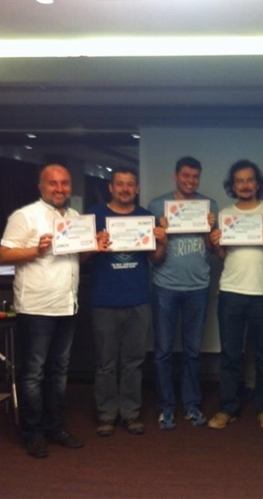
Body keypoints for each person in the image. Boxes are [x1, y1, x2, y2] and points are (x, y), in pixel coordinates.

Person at [0, 164, 107, 459]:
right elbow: (4, 253)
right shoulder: (25, 216)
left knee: (59, 372)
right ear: (41, 186)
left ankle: (56, 427)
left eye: (65, 183)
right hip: (36, 307)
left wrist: (94, 247)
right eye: (53, 183)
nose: (60, 189)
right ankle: (33, 433)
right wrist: (36, 250)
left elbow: (76, 259)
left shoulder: (75, 218)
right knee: (34, 373)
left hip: (66, 304)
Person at [87, 166, 167, 437]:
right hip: (104, 300)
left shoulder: (146, 217)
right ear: (111, 187)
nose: (125, 189)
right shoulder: (95, 215)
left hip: (138, 300)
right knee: (105, 363)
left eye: (130, 184)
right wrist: (93, 244)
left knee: (134, 361)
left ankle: (131, 414)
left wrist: (162, 242)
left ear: (137, 188)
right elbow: (80, 256)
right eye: (119, 184)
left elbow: (155, 259)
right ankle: (106, 415)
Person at [208, 160, 263, 430]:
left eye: (249, 180)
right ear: (233, 185)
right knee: (230, 354)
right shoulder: (226, 214)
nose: (245, 185)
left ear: (258, 183)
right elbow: (223, 254)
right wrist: (215, 244)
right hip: (231, 291)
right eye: (239, 181)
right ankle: (228, 408)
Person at [148, 156, 218, 430]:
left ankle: (191, 404)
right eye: (186, 176)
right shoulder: (158, 206)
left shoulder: (209, 205)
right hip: (165, 285)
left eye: (195, 176)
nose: (191, 181)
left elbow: (212, 249)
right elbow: (154, 256)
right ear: (176, 176)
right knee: (163, 351)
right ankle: (166, 407)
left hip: (198, 286)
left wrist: (210, 228)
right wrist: (162, 235)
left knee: (193, 351)